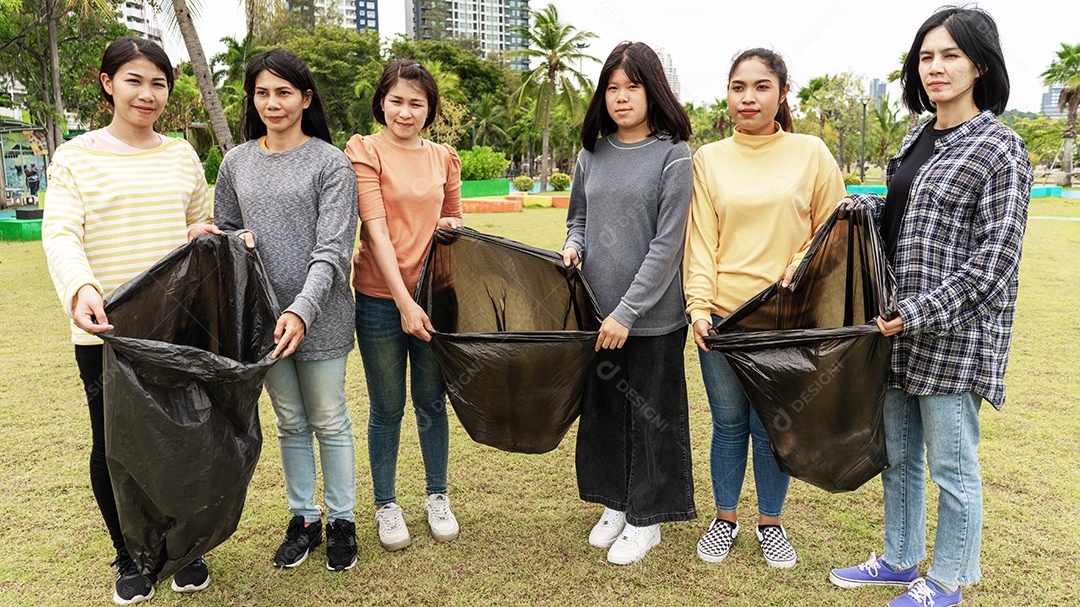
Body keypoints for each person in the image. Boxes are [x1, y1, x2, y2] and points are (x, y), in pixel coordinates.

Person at [828, 8, 1031, 607]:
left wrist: (914, 313)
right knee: (899, 457)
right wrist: (859, 207)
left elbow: (994, 264)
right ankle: (898, 558)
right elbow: (902, 219)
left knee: (953, 468)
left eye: (950, 55)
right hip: (894, 331)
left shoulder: (1001, 148)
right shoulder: (918, 135)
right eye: (926, 56)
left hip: (952, 338)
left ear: (981, 65)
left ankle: (946, 583)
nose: (936, 68)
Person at [41, 36, 219, 605]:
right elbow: (62, 233)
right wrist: (81, 287)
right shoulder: (74, 157)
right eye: (134, 81)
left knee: (181, 439)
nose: (147, 94)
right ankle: (131, 555)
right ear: (107, 82)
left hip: (173, 328)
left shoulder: (181, 155)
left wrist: (201, 234)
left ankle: (184, 549)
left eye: (158, 83)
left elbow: (197, 222)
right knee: (114, 445)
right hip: (105, 331)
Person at [684, 48, 847, 569]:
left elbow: (833, 232)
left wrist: (798, 270)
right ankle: (725, 519)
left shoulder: (811, 152)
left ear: (782, 93)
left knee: (774, 424)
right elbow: (700, 242)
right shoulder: (707, 158)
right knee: (729, 423)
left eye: (760, 87)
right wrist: (698, 307)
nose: (748, 97)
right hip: (724, 319)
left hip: (788, 321)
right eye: (738, 87)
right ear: (727, 94)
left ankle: (771, 524)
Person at [213, 49, 360, 572]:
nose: (272, 103)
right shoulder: (235, 162)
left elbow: (334, 249)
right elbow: (225, 229)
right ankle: (303, 519)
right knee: (290, 421)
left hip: (319, 316)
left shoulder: (330, 162)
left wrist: (300, 310)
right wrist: (232, 238)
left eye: (283, 92)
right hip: (261, 320)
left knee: (329, 418)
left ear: (305, 97)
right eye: (262, 92)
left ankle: (342, 520)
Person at [562, 41, 696, 566]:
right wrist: (573, 243)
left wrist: (627, 312)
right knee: (606, 412)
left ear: (653, 90)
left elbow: (667, 245)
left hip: (653, 317)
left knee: (653, 415)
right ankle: (615, 503)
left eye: (632, 87)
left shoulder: (673, 154)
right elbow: (579, 218)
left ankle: (648, 519)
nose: (621, 98)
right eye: (612, 88)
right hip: (596, 313)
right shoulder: (591, 152)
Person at [347, 59, 463, 552]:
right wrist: (404, 304)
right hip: (379, 300)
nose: (405, 111)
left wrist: (451, 228)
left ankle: (437, 495)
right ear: (382, 103)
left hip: (436, 300)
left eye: (416, 102)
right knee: (387, 407)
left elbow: (454, 216)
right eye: (396, 100)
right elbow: (374, 231)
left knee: (433, 404)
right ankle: (386, 504)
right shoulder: (364, 150)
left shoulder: (444, 158)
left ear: (429, 109)